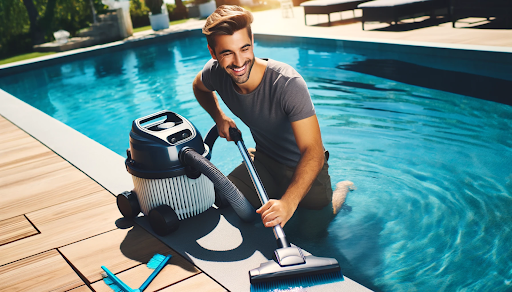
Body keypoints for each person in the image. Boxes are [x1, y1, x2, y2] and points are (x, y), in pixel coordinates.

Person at [192, 5, 353, 234]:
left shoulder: (287, 83)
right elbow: (199, 87)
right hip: (264, 163)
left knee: (312, 234)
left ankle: (340, 190)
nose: (238, 62)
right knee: (223, 198)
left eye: (244, 48)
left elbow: (314, 151)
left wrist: (288, 203)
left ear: (252, 41)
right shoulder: (215, 72)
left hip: (305, 170)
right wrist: (219, 117)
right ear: (213, 53)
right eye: (227, 53)